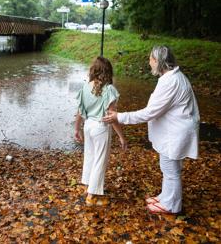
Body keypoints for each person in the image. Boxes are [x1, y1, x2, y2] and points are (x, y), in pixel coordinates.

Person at [103, 45, 200, 214]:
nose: (149, 62)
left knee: (171, 170)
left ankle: (172, 206)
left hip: (175, 133)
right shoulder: (170, 77)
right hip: (173, 131)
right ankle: (165, 197)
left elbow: (150, 112)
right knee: (167, 167)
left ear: (158, 61)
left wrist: (120, 116)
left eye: (151, 59)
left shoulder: (171, 81)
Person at [75, 57, 127, 205]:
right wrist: (122, 137)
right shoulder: (109, 89)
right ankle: (92, 196)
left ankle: (87, 186)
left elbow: (79, 111)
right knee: (100, 161)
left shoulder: (85, 87)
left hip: (88, 125)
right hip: (100, 127)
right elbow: (111, 116)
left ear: (93, 70)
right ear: (108, 71)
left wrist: (77, 129)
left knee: (90, 157)